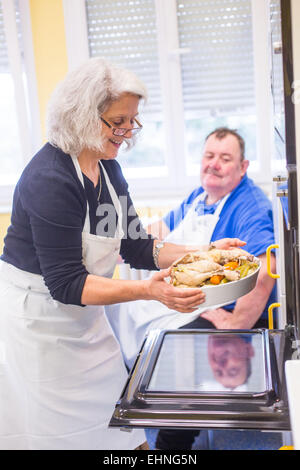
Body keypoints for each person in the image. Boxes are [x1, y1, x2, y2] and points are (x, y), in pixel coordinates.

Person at [0, 59, 242, 451]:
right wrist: (150, 291)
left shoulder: (106, 170)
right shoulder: (49, 179)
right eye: (119, 121)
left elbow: (136, 246)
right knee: (62, 437)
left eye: (133, 120)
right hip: (40, 324)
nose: (129, 132)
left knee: (118, 427)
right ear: (81, 114)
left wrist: (205, 253)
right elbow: (66, 283)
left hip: (83, 320)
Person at [106, 127, 277, 450]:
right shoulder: (199, 197)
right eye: (209, 156)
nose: (214, 164)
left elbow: (267, 266)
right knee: (115, 314)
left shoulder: (249, 205)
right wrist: (118, 247)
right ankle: (130, 427)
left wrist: (237, 325)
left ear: (243, 167)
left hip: (215, 309)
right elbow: (161, 232)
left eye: (225, 159)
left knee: (178, 361)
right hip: (180, 298)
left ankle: (172, 443)